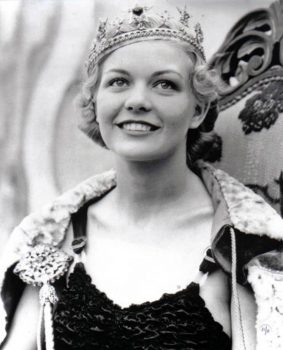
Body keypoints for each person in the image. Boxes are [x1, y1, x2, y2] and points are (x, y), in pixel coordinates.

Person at [0, 4, 282, 350]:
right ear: (95, 102)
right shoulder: (54, 234)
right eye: (118, 82)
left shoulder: (239, 246)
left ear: (198, 110)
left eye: (164, 84)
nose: (137, 101)